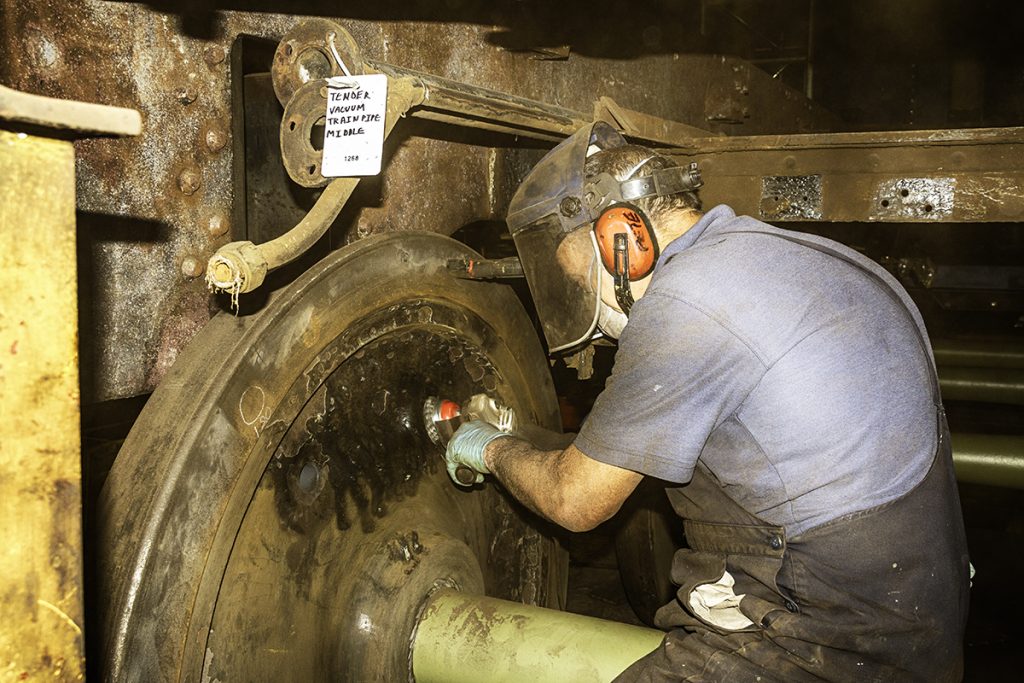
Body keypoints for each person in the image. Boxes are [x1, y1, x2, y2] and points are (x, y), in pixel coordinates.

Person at [444, 122, 971, 682]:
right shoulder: (809, 256)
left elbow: (576, 501)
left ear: (623, 238)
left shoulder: (686, 301)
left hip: (833, 635)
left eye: (577, 275)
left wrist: (492, 448)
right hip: (923, 612)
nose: (583, 303)